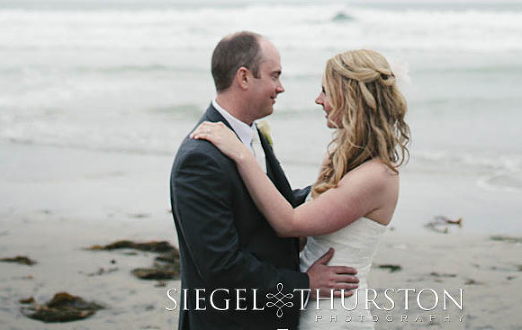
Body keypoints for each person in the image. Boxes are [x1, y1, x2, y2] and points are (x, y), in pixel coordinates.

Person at [192, 48, 410, 329]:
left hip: (335, 311)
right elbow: (305, 235)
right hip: (309, 300)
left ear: (352, 97)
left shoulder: (378, 176)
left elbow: (290, 223)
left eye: (326, 91)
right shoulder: (338, 156)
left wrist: (242, 155)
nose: (319, 100)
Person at [170, 32, 360, 329]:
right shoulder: (200, 160)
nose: (281, 88)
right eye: (275, 76)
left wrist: (348, 189)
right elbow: (221, 268)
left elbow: (274, 205)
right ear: (244, 78)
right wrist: (303, 285)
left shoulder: (251, 134)